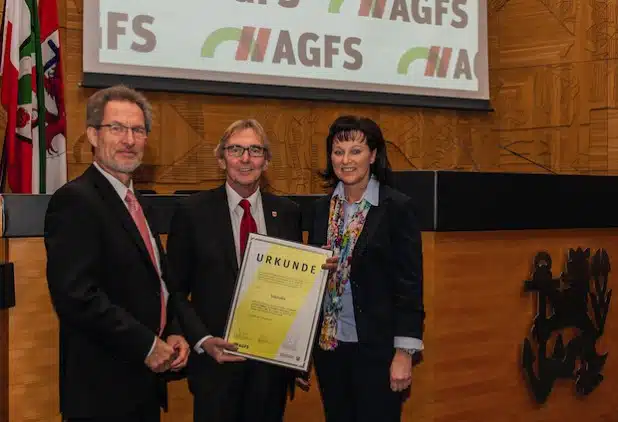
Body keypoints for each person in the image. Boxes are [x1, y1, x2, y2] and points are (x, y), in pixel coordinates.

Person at [44, 85, 201, 422]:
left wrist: (173, 330)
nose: (128, 139)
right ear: (92, 135)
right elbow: (76, 296)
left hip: (142, 386)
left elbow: (159, 281)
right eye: (116, 128)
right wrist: (146, 344)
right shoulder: (75, 201)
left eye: (138, 130)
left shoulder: (137, 202)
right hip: (102, 393)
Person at [166, 119, 336, 422]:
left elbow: (292, 291)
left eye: (255, 150)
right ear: (221, 159)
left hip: (270, 370)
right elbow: (175, 290)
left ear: (266, 161)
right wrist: (203, 340)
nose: (246, 159)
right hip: (215, 367)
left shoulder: (287, 213)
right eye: (236, 150)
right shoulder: (191, 213)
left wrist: (316, 273)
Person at [307, 115, 425, 422]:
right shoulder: (321, 210)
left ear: (373, 155)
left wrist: (404, 354)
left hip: (378, 350)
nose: (345, 160)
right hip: (330, 347)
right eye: (338, 151)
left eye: (355, 151)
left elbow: (410, 284)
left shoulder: (396, 207)